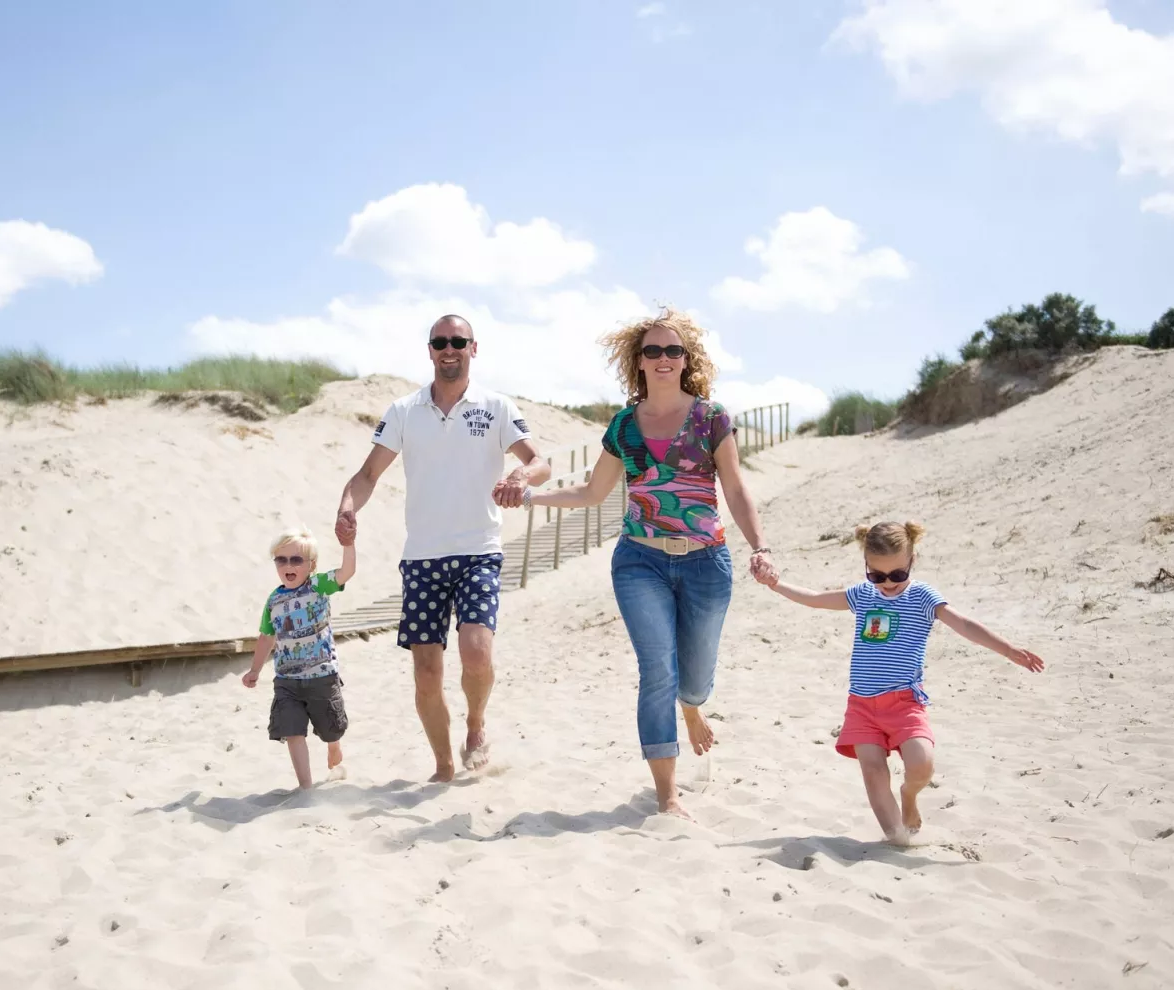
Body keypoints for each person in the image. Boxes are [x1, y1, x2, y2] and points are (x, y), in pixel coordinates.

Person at [500, 309, 776, 817]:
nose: (664, 358)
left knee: (693, 680)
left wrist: (759, 545)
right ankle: (667, 797)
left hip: (706, 563)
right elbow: (591, 492)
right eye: (654, 351)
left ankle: (692, 709)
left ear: (686, 360)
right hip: (639, 562)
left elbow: (734, 487)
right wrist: (532, 499)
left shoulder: (711, 418)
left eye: (674, 351)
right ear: (640, 362)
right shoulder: (624, 426)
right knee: (657, 672)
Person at [335, 314, 551, 782]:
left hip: (478, 552)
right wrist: (348, 507)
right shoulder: (403, 411)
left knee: (477, 654)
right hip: (421, 559)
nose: (448, 349)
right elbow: (368, 475)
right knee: (427, 673)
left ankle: (475, 725)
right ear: (429, 350)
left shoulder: (497, 406)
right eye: (440, 342)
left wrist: (519, 476)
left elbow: (540, 462)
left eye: (458, 341)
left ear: (474, 348)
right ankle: (443, 765)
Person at [767, 520, 1045, 844]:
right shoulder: (862, 594)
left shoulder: (923, 596)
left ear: (911, 561)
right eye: (877, 575)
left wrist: (1008, 650)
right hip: (862, 705)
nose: (888, 584)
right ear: (867, 567)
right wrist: (776, 584)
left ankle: (909, 796)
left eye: (897, 575)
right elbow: (815, 598)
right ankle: (897, 838)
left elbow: (966, 625)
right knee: (872, 772)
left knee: (921, 764)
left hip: (904, 703)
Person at [241, 526, 357, 790]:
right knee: (292, 730)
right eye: (281, 560)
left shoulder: (318, 585)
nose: (288, 565)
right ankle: (306, 787)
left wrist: (348, 544)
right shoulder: (274, 600)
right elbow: (266, 637)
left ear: (311, 565)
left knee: (331, 727)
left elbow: (346, 572)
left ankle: (333, 746)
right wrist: (255, 670)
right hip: (287, 680)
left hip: (321, 675)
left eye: (296, 560)